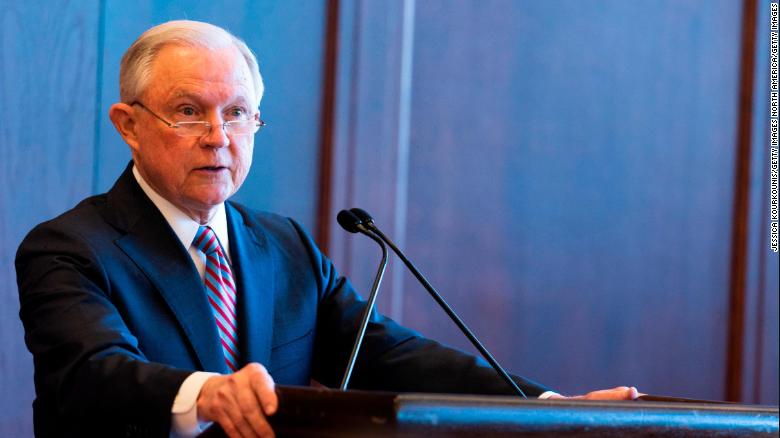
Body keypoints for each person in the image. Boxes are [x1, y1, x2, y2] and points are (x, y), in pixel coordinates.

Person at [16, 20, 638, 438]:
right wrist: (206, 394)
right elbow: (91, 375)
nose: (217, 137)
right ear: (129, 124)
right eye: (187, 112)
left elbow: (390, 356)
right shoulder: (72, 248)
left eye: (237, 114)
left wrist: (550, 409)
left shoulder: (283, 247)